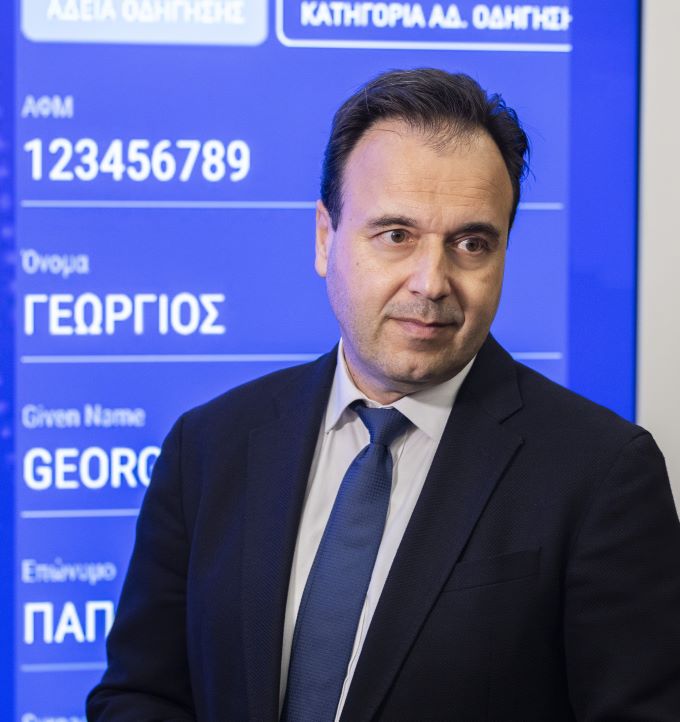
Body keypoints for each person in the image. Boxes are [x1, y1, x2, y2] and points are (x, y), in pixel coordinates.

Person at [87, 69, 680, 721]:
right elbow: (142, 694)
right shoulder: (208, 446)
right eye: (397, 235)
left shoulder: (602, 474)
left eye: (471, 244)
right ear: (325, 238)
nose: (431, 282)